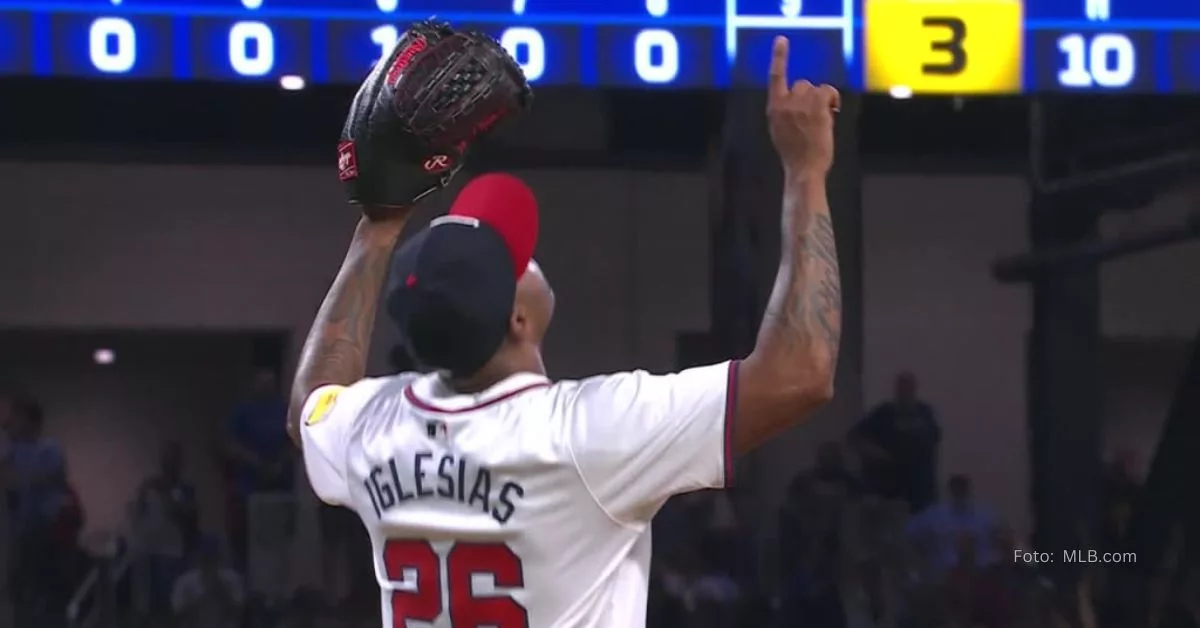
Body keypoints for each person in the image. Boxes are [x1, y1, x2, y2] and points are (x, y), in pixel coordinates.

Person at [288, 35, 841, 626]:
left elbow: (310, 405)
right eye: (513, 261)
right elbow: (799, 374)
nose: (525, 258)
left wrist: (378, 225)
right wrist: (805, 171)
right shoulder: (583, 437)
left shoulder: (378, 429)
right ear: (518, 319)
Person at [221, 367, 291, 568]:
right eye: (262, 383)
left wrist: (279, 464)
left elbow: (295, 443)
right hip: (247, 491)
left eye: (270, 383)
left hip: (278, 491)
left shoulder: (283, 410)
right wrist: (254, 461)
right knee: (245, 545)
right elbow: (228, 443)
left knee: (275, 547)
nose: (266, 387)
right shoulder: (243, 411)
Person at [850, 371, 940, 513]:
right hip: (891, 487)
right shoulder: (885, 413)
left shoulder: (924, 412)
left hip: (921, 486)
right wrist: (876, 453)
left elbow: (935, 439)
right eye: (901, 387)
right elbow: (855, 436)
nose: (905, 390)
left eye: (908, 386)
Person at [170, 538, 245, 628]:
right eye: (206, 558)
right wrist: (203, 597)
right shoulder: (185, 580)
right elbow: (177, 612)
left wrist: (221, 590)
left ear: (220, 558)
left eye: (214, 558)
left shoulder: (232, 579)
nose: (209, 563)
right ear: (198, 558)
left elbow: (239, 613)